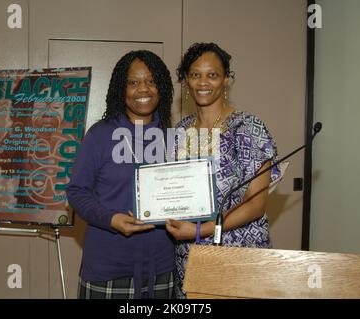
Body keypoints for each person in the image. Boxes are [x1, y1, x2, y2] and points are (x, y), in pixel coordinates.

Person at [165, 42, 283, 298]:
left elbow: (255, 205)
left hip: (240, 256)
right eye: (195, 75)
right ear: (186, 80)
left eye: (212, 75)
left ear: (226, 80)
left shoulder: (248, 127)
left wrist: (199, 230)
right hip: (190, 256)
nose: (203, 82)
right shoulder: (181, 131)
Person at [66, 50, 175, 299]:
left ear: (162, 87)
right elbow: (76, 192)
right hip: (108, 267)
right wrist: (111, 219)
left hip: (161, 268)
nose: (143, 89)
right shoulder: (100, 135)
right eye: (133, 82)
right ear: (121, 88)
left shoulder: (173, 137)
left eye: (151, 81)